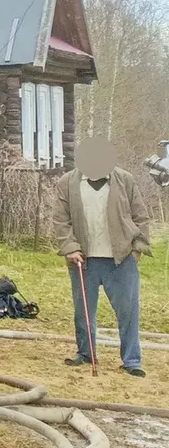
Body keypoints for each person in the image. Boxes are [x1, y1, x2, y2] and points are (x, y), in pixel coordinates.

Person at [52, 135, 153, 378]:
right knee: (83, 311)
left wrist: (137, 248)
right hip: (84, 259)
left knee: (128, 312)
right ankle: (86, 353)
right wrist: (71, 247)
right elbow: (61, 221)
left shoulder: (124, 180)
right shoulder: (67, 183)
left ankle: (132, 360)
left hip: (120, 258)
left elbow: (141, 216)